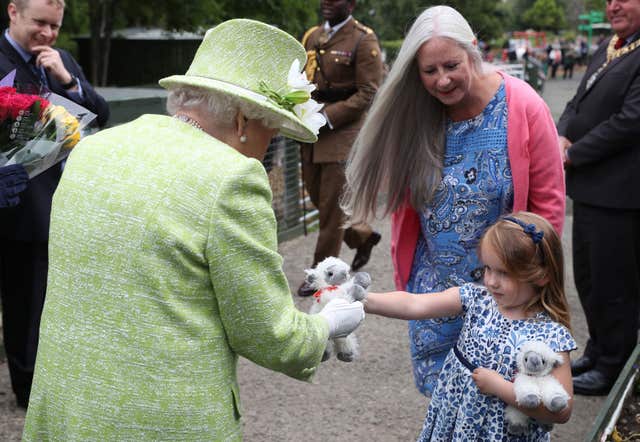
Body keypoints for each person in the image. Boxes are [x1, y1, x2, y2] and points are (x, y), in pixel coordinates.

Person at [22, 19, 365, 439]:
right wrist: (328, 322)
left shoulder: (92, 149)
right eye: (272, 129)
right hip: (158, 421)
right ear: (242, 121)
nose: (269, 145)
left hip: (65, 407)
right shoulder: (231, 178)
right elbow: (268, 334)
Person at [342, 5, 565, 397]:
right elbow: (407, 206)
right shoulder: (416, 114)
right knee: (443, 405)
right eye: (430, 71)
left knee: (499, 403)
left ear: (473, 51)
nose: (442, 80)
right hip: (433, 293)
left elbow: (548, 204)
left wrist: (533, 285)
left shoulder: (523, 105)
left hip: (504, 294)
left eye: (451, 65)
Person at [363, 212, 576, 441]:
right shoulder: (477, 299)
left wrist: (500, 388)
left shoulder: (552, 335)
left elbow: (562, 410)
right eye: (488, 268)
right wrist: (362, 300)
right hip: (454, 423)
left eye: (503, 273)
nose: (491, 281)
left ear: (540, 275)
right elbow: (415, 304)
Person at [0, 0, 109, 409]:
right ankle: (28, 386)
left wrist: (69, 83)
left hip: (53, 203)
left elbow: (101, 113)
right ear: (13, 12)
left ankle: (41, 383)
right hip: (11, 200)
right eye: (39, 23)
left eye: (55, 26)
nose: (47, 34)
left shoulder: (59, 60)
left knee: (44, 298)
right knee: (21, 298)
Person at [557, 0, 640, 396]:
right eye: (609, 0)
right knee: (588, 280)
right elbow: (578, 101)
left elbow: (631, 121)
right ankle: (598, 348)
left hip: (622, 191)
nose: (613, 5)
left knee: (615, 284)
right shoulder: (610, 45)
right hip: (591, 190)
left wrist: (573, 152)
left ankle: (615, 364)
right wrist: (558, 135)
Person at [297, 0, 384, 298]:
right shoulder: (311, 36)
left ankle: (319, 275)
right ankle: (362, 235)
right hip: (311, 132)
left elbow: (369, 92)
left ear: (351, 3)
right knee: (319, 200)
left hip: (341, 134)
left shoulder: (363, 39)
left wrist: (328, 117)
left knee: (331, 215)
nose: (326, 2)